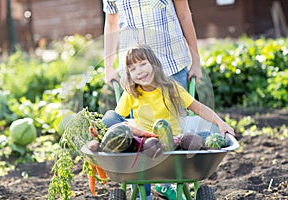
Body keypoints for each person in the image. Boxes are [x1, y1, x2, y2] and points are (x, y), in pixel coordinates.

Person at [99, 45, 235, 200]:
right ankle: (146, 192)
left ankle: (164, 187)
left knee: (201, 139)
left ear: (154, 64)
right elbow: (116, 121)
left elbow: (197, 108)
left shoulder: (171, 88)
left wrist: (220, 123)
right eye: (133, 68)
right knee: (111, 118)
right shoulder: (131, 93)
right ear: (129, 74)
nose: (139, 71)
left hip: (174, 142)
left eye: (143, 64)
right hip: (146, 144)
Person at [103, 0, 202, 89]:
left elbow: (184, 16)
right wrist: (108, 68)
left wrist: (196, 62)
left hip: (172, 66)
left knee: (178, 109)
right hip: (134, 73)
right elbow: (111, 24)